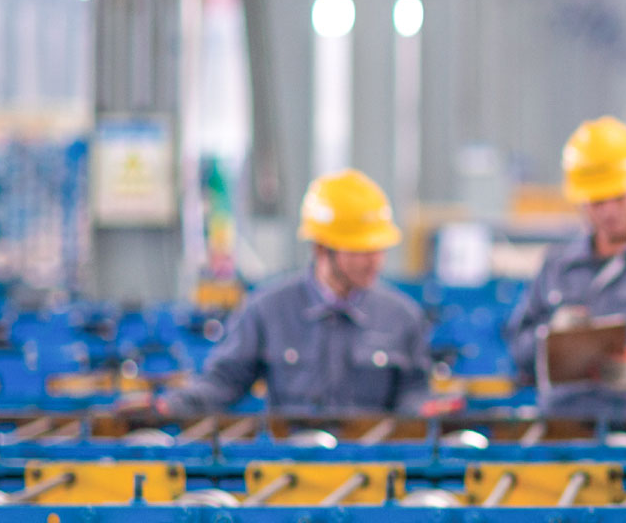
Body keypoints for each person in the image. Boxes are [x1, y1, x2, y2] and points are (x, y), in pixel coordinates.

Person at [152, 168, 431, 414]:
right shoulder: (268, 310)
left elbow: (412, 392)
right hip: (291, 463)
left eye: (378, 248)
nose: (375, 260)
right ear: (322, 248)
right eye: (360, 250)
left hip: (374, 467)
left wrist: (426, 407)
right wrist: (172, 404)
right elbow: (224, 382)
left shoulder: (402, 317)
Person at [506, 116, 626, 416]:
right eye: (597, 201)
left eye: (618, 198)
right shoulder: (557, 266)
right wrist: (549, 337)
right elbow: (517, 351)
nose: (609, 211)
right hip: (561, 431)